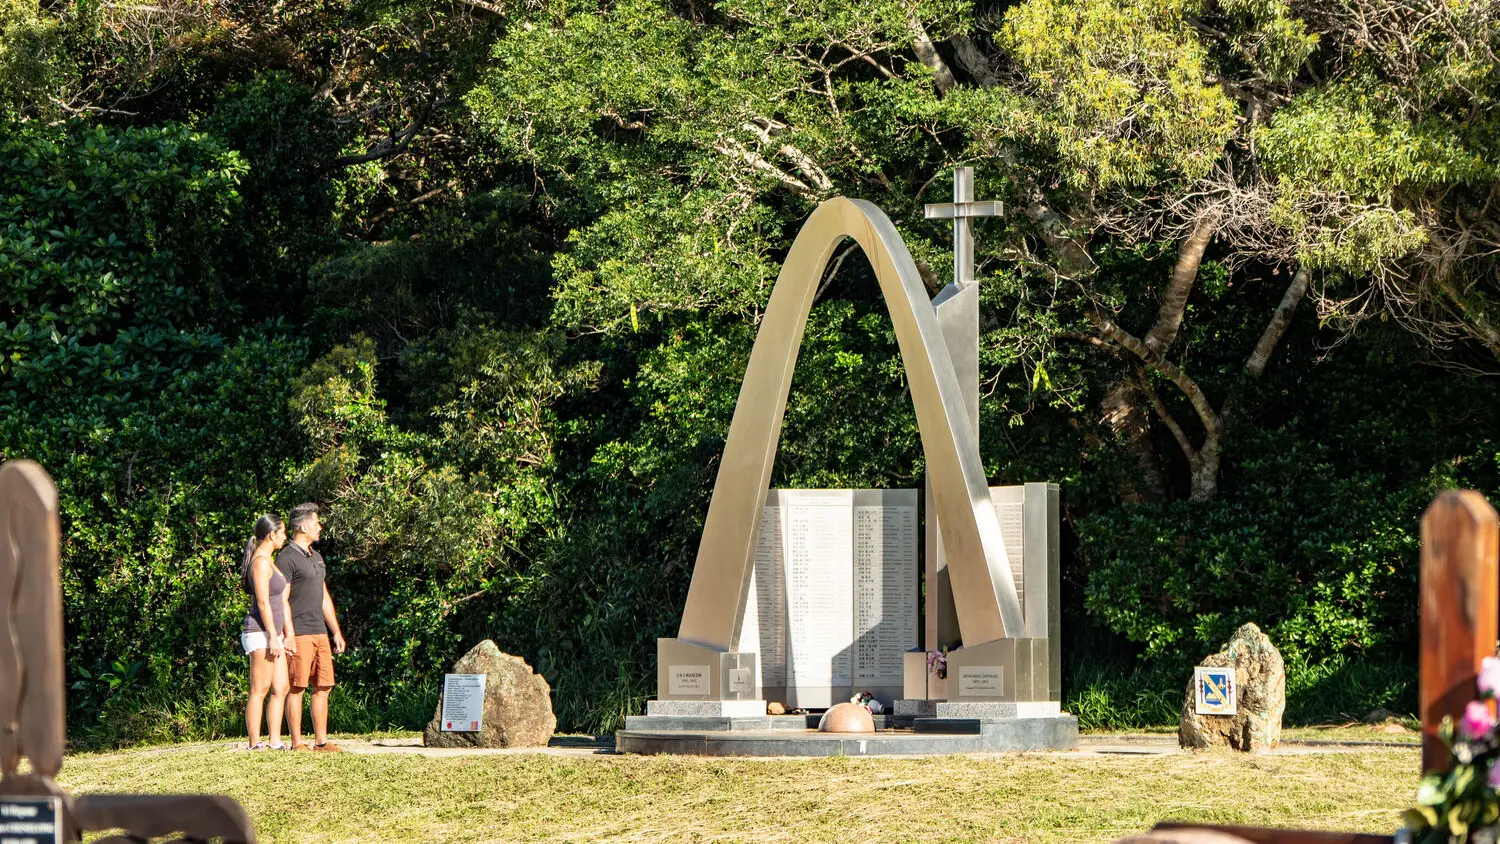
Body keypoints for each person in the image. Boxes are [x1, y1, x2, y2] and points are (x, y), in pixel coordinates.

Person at [277, 502, 346, 751]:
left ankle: (321, 741)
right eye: (316, 523)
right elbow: (281, 598)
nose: (320, 527)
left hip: (320, 631)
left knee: (324, 685)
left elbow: (324, 595)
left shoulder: (316, 557)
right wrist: (289, 634)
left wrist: (335, 631)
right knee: (297, 687)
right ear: (304, 526)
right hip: (299, 631)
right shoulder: (286, 558)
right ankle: (297, 743)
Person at [241, 513, 294, 750]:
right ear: (272, 535)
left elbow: (280, 599)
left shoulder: (269, 559)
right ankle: (255, 742)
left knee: (281, 687)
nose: (285, 537)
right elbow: (262, 603)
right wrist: (273, 635)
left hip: (274, 634)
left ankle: (274, 740)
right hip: (260, 632)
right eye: (282, 533)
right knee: (259, 688)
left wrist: (285, 633)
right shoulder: (260, 562)